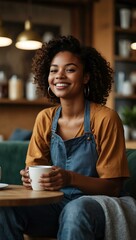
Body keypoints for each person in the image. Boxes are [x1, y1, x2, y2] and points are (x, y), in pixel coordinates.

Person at [0, 35, 129, 240]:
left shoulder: (105, 118)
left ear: (86, 76)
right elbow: (34, 173)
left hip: (95, 203)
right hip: (55, 203)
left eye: (70, 69)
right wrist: (29, 178)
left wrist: (69, 178)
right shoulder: (45, 118)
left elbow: (113, 187)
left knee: (75, 210)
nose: (59, 75)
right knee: (6, 210)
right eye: (54, 70)